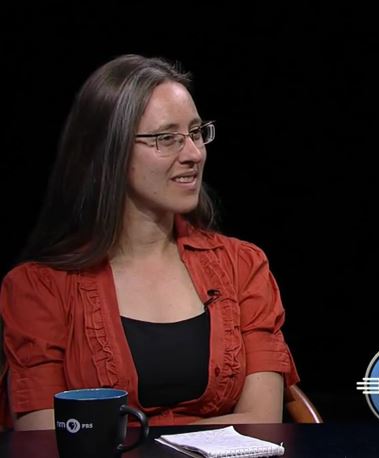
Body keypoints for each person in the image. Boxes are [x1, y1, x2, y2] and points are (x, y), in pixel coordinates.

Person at [0, 54, 299, 430]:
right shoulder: (38, 288)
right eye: (167, 138)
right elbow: (43, 434)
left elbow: (262, 421)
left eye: (195, 132)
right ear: (110, 151)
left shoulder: (243, 267)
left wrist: (121, 434)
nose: (193, 154)